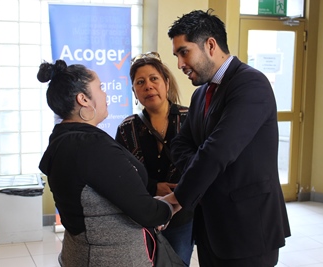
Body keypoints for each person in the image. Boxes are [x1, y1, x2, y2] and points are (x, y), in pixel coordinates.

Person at [162, 9, 291, 267]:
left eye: (184, 52)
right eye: (176, 55)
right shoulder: (201, 95)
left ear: (210, 45)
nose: (179, 64)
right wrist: (204, 160)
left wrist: (177, 199)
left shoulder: (250, 84)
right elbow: (179, 144)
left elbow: (218, 151)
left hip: (248, 228)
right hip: (212, 227)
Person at [37, 59, 175, 267]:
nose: (105, 94)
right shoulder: (90, 146)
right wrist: (177, 201)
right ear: (83, 99)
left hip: (80, 252)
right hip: (109, 257)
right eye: (100, 88)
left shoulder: (63, 139)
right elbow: (148, 213)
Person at [115, 52, 194, 266]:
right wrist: (153, 187)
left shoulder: (191, 118)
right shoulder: (126, 128)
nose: (148, 86)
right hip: (142, 216)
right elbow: (120, 175)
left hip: (182, 215)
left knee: (177, 262)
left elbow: (204, 164)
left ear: (166, 83)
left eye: (154, 79)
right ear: (134, 91)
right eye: (140, 82)